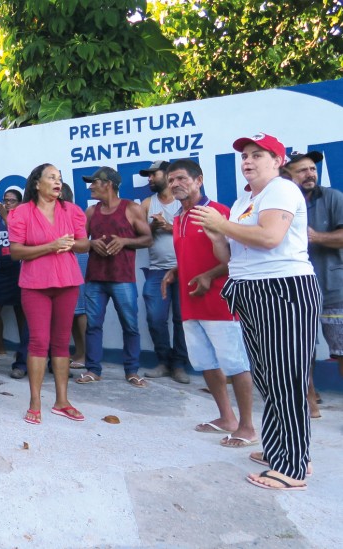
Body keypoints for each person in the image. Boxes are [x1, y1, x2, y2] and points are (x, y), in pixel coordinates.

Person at [190, 133, 319, 491]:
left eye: (257, 155)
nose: (247, 161)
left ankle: (293, 467)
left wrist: (220, 225)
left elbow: (269, 238)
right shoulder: (244, 200)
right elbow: (228, 258)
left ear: (277, 161)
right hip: (250, 290)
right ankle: (281, 448)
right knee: (267, 378)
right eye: (245, 155)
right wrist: (216, 235)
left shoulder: (281, 189)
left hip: (282, 289)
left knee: (285, 380)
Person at [161, 159, 257, 446]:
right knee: (206, 362)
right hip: (191, 303)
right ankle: (226, 418)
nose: (175, 184)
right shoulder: (178, 218)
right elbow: (193, 253)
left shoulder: (218, 212)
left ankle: (248, 427)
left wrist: (209, 275)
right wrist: (176, 271)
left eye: (181, 179)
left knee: (236, 364)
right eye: (171, 181)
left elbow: (237, 258)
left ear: (199, 180)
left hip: (220, 302)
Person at [8, 164, 90, 425]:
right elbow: (16, 252)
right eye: (51, 177)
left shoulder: (73, 210)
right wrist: (50, 246)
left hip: (67, 283)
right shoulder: (21, 212)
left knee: (61, 342)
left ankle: (62, 402)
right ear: (36, 183)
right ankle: (35, 402)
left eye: (59, 178)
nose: (57, 182)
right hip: (35, 285)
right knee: (38, 342)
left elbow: (84, 244)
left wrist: (71, 245)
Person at [77, 167, 153, 387]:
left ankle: (131, 371)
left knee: (130, 326)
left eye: (94, 182)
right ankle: (93, 370)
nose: (90, 187)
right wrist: (91, 243)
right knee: (93, 326)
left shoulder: (131, 208)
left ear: (107, 184)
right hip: (95, 278)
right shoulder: (91, 212)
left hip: (122, 279)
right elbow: (80, 242)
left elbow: (147, 239)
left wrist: (125, 241)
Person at [287, 150, 340, 420]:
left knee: (341, 350)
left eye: (312, 169)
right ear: (288, 175)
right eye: (302, 170)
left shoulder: (332, 197)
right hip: (296, 288)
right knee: (300, 349)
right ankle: (310, 401)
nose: (310, 174)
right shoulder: (282, 201)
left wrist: (315, 236)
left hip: (333, 287)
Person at [138, 160, 190, 384]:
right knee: (155, 318)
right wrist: (152, 227)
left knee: (182, 320)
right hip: (157, 270)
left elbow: (198, 233)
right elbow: (140, 237)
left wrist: (169, 227)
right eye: (148, 176)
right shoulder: (147, 203)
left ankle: (179, 365)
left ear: (167, 175)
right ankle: (163, 361)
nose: (149, 179)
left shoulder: (185, 202)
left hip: (185, 270)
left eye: (153, 175)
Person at [0, 189, 29, 377]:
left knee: (21, 311)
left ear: (20, 203)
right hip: (2, 270)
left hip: (19, 269)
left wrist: (6, 216)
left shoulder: (21, 217)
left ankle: (23, 349)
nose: (7, 204)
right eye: (5, 200)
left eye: (12, 201)